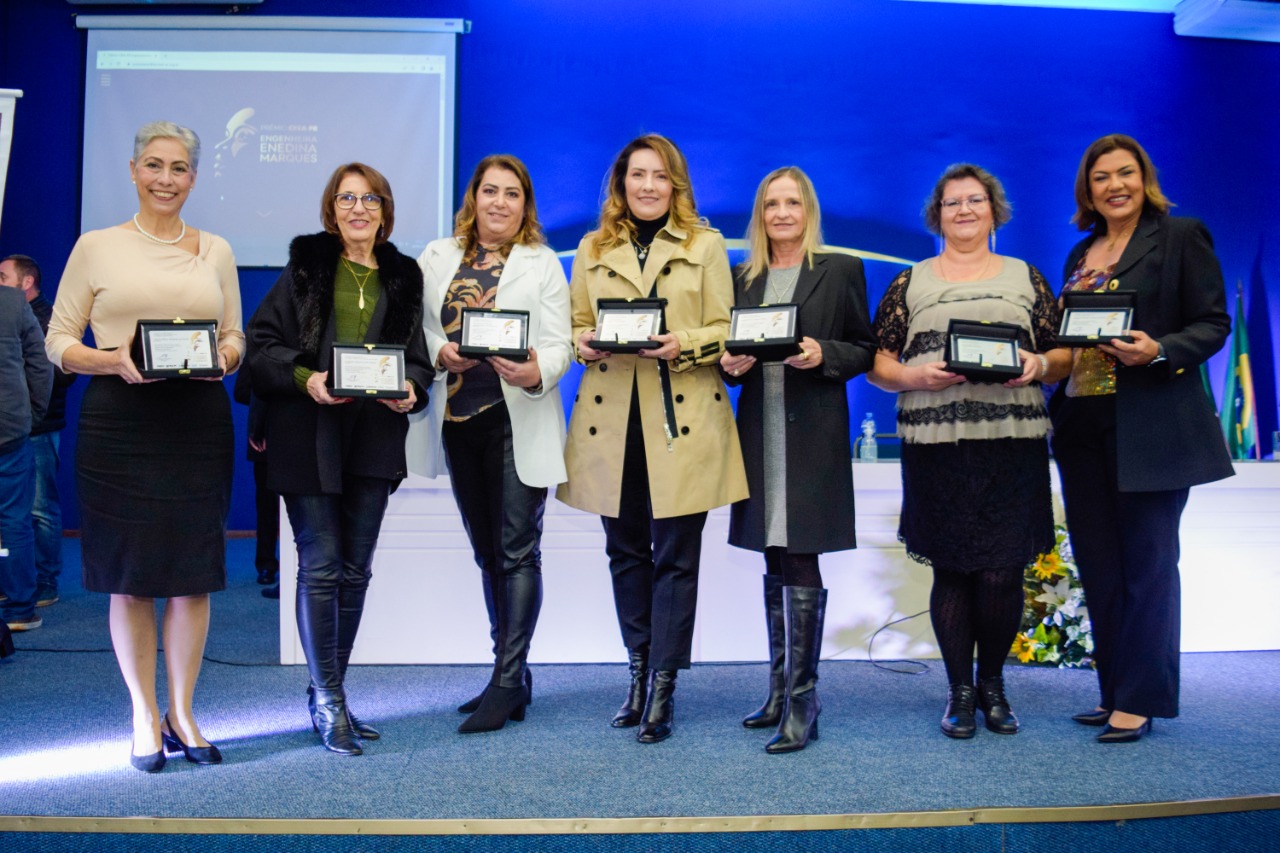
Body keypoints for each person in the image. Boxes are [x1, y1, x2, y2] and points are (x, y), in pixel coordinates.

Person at [45, 121, 243, 771]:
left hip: (197, 422)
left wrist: (225, 357)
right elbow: (58, 341)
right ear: (133, 171)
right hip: (119, 422)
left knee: (192, 577)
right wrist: (111, 360)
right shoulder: (96, 246)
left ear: (194, 177)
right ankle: (142, 713)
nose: (166, 178)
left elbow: (235, 335)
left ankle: (182, 711)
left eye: (179, 167)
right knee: (128, 577)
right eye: (154, 165)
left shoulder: (215, 248)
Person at [557, 134, 747, 744]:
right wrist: (582, 341)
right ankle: (636, 675)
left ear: (676, 185)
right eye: (637, 175)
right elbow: (578, 324)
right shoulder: (591, 248)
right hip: (612, 421)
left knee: (677, 557)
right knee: (625, 553)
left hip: (681, 417)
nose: (647, 186)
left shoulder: (707, 244)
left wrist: (683, 343)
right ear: (621, 184)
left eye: (659, 177)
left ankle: (664, 686)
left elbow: (724, 327)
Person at [1043, 134, 1233, 744]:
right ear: (1087, 190)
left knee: (1148, 564)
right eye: (1101, 177)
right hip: (1082, 423)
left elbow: (1212, 322)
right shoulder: (1082, 251)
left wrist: (1160, 351)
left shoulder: (1181, 236)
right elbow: (1070, 343)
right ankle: (1113, 691)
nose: (1114, 185)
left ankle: (1143, 698)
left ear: (1143, 178)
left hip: (1151, 422)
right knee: (1098, 564)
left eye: (1125, 173)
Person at [246, 162, 432, 756]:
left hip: (374, 437)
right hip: (309, 431)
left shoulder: (404, 277)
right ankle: (327, 700)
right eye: (346, 198)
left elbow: (420, 359)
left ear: (385, 209)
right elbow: (261, 348)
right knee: (322, 567)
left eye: (369, 198)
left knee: (356, 570)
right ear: (332, 209)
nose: (358, 208)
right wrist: (307, 378)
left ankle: (334, 693)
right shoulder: (306, 266)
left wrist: (413, 391)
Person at [868, 163, 1060, 739]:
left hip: (1013, 445)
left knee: (1003, 573)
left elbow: (1061, 353)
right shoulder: (911, 282)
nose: (964, 211)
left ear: (994, 210)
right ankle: (959, 693)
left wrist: (1040, 365)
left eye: (975, 200)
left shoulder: (1027, 277)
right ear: (938, 214)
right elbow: (877, 363)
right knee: (951, 569)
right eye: (952, 203)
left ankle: (994, 685)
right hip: (936, 447)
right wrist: (913, 377)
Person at [407, 154, 572, 733]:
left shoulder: (543, 263)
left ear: (525, 205)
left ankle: (506, 679)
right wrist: (438, 352)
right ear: (472, 198)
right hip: (457, 418)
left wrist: (535, 372)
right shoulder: (436, 256)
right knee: (486, 552)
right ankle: (512, 675)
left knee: (517, 549)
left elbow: (559, 343)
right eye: (490, 191)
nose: (499, 203)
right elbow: (418, 325)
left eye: (512, 194)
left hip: (514, 415)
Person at [719, 167, 876, 753]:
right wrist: (727, 367)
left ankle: (804, 703)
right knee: (773, 554)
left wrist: (823, 352)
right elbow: (729, 351)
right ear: (760, 215)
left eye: (792, 202)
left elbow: (864, 348)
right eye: (770, 204)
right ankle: (779, 690)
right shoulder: (742, 276)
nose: (781, 213)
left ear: (808, 208)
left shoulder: (840, 270)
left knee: (801, 553)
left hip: (812, 435)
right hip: (760, 430)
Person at [1, 255, 77, 608]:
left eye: (3, 277)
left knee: (40, 508)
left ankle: (45, 580)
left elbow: (61, 371)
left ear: (26, 282)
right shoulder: (17, 314)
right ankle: (19, 582)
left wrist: (30, 413)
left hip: (38, 428)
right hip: (22, 426)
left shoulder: (48, 318)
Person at [0, 284, 52, 633]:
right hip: (9, 429)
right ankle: (20, 608)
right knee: (13, 521)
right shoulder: (12, 302)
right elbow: (40, 365)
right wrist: (31, 416)